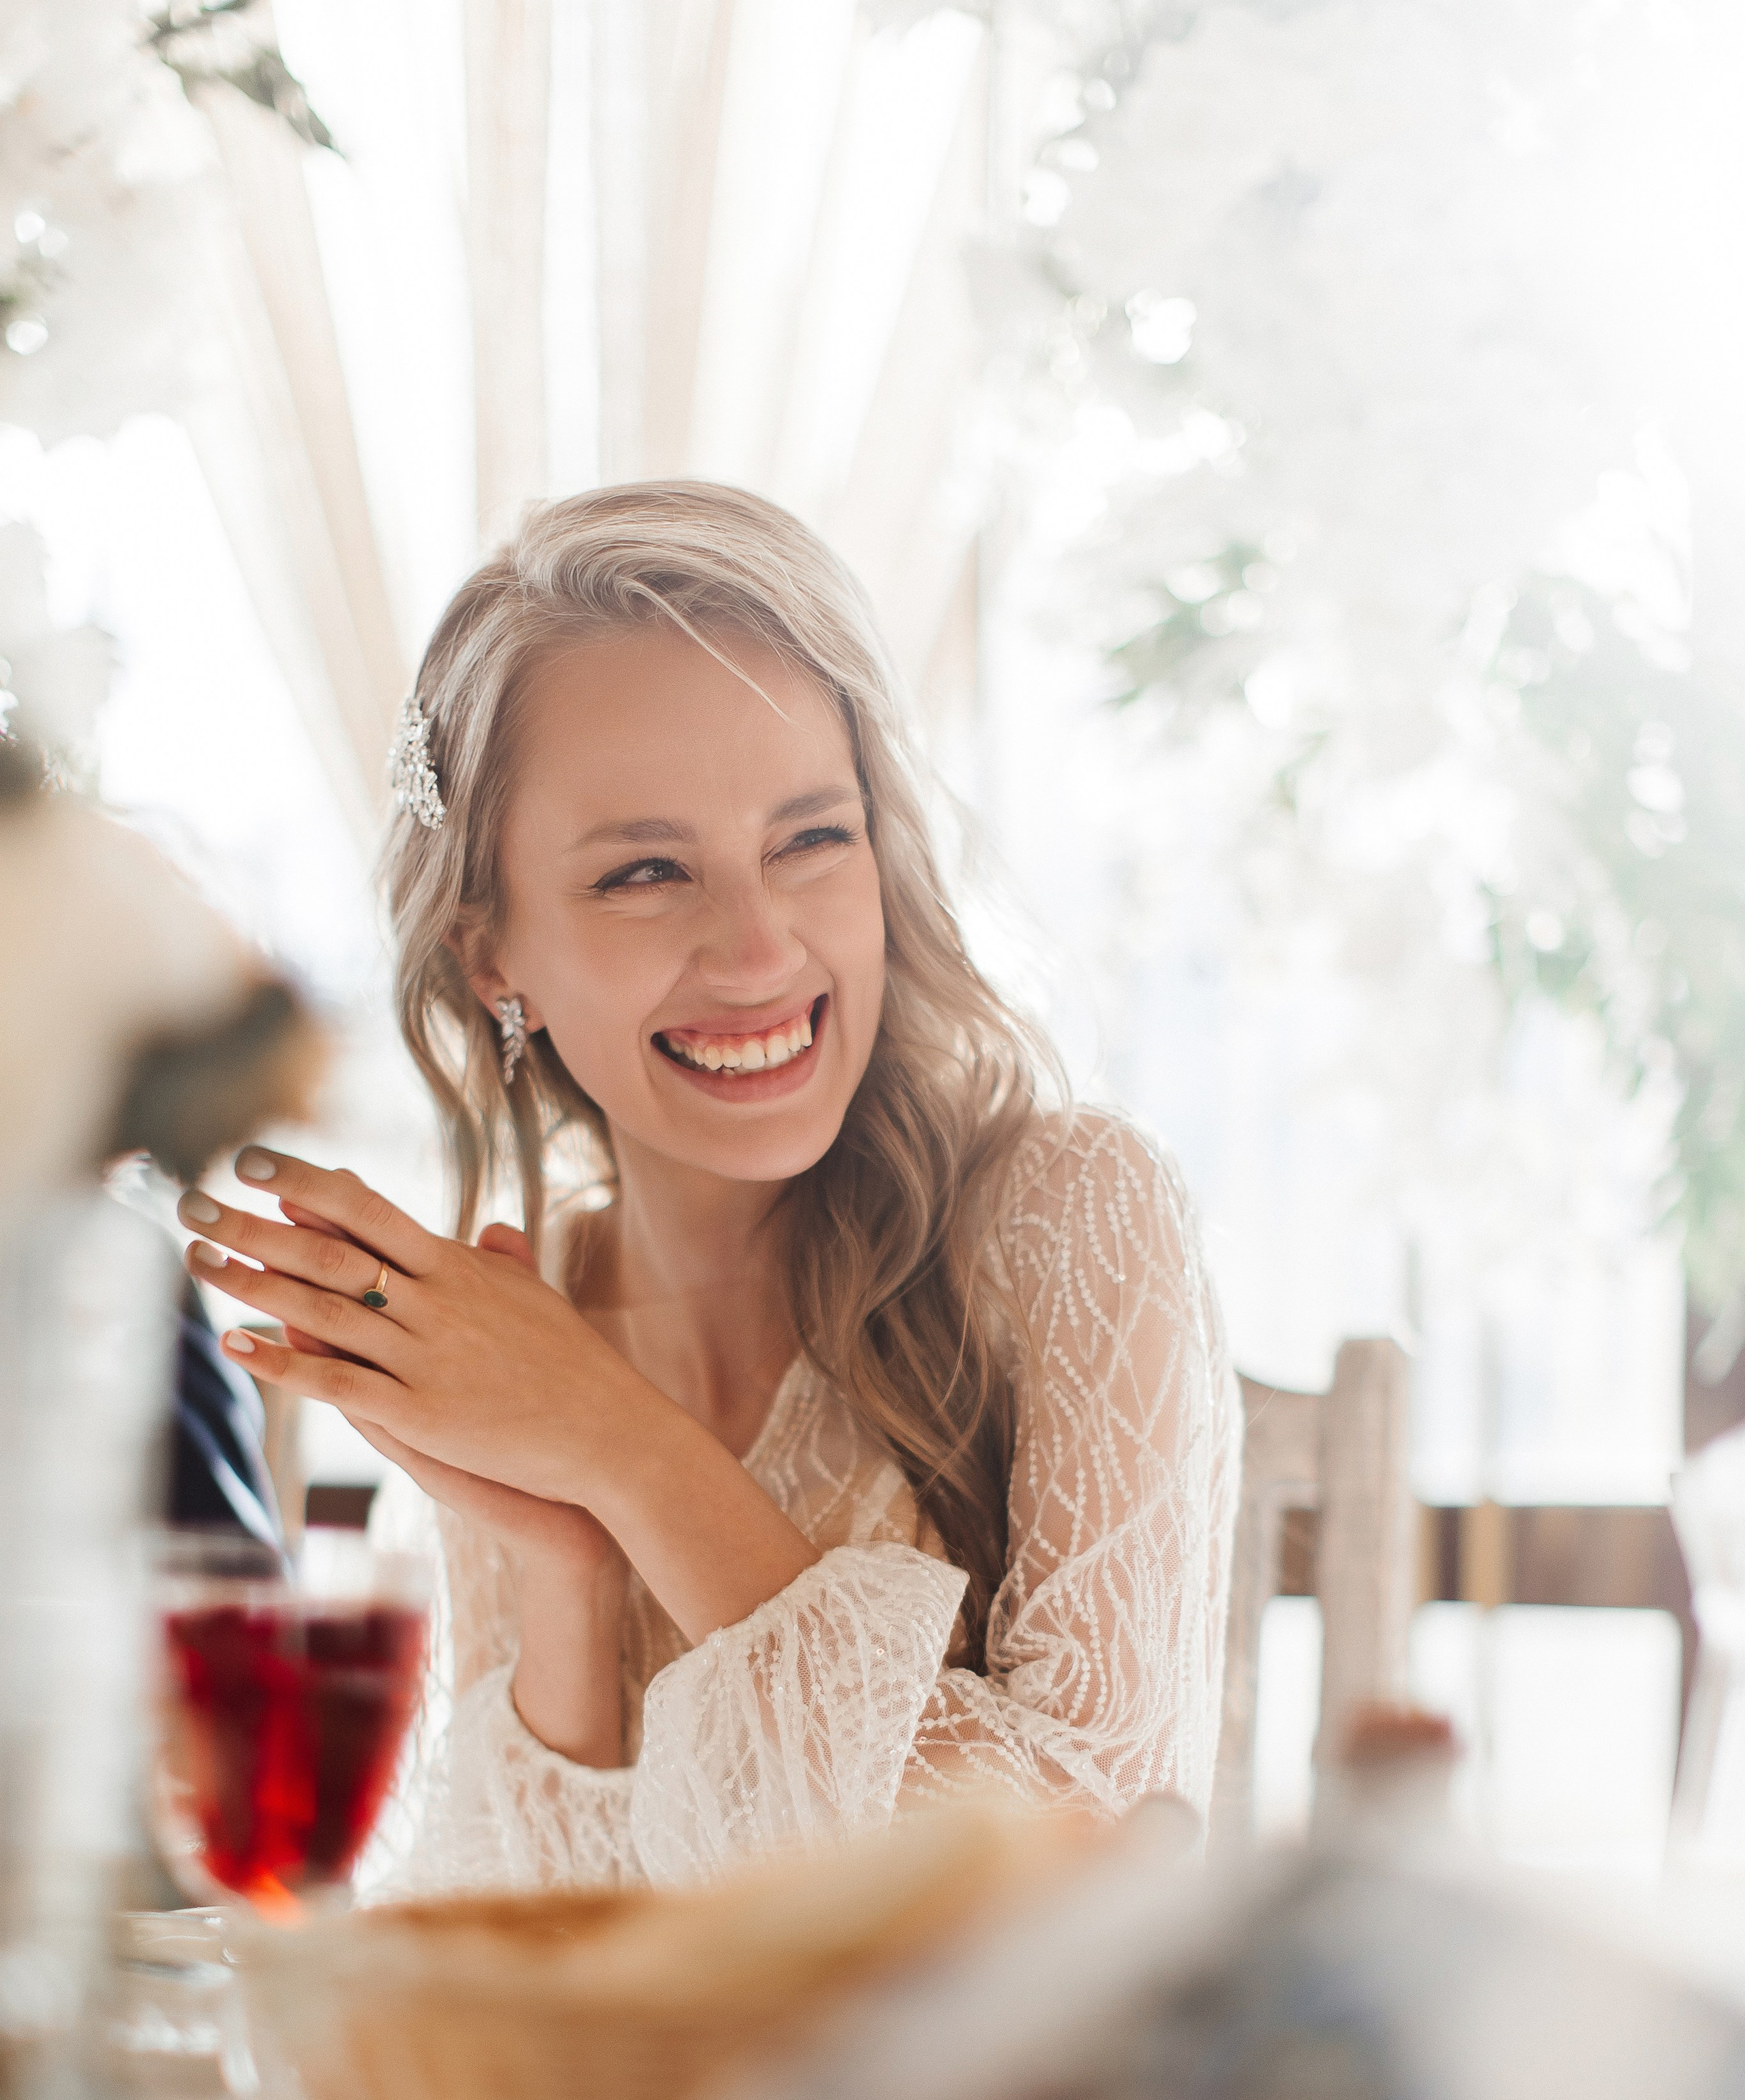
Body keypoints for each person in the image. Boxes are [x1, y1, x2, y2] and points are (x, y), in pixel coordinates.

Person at [175, 483, 1241, 1891]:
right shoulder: (525, 1319)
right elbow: (532, 1963)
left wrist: (624, 1447)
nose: (755, 948)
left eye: (809, 839)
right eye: (645, 873)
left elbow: (1085, 1874)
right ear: (493, 955)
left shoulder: (1076, 1210)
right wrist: (566, 1570)